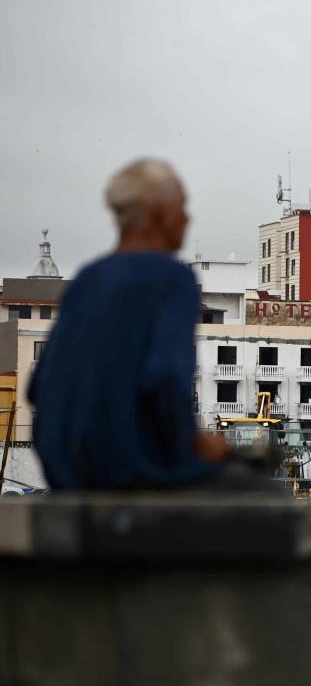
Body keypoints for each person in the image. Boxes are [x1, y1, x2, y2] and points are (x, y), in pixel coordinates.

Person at [29, 159, 231, 490]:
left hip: (65, 473)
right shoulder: (173, 279)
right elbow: (166, 378)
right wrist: (194, 442)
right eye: (182, 207)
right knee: (263, 496)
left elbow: (38, 387)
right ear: (159, 215)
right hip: (134, 471)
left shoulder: (87, 279)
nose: (187, 218)